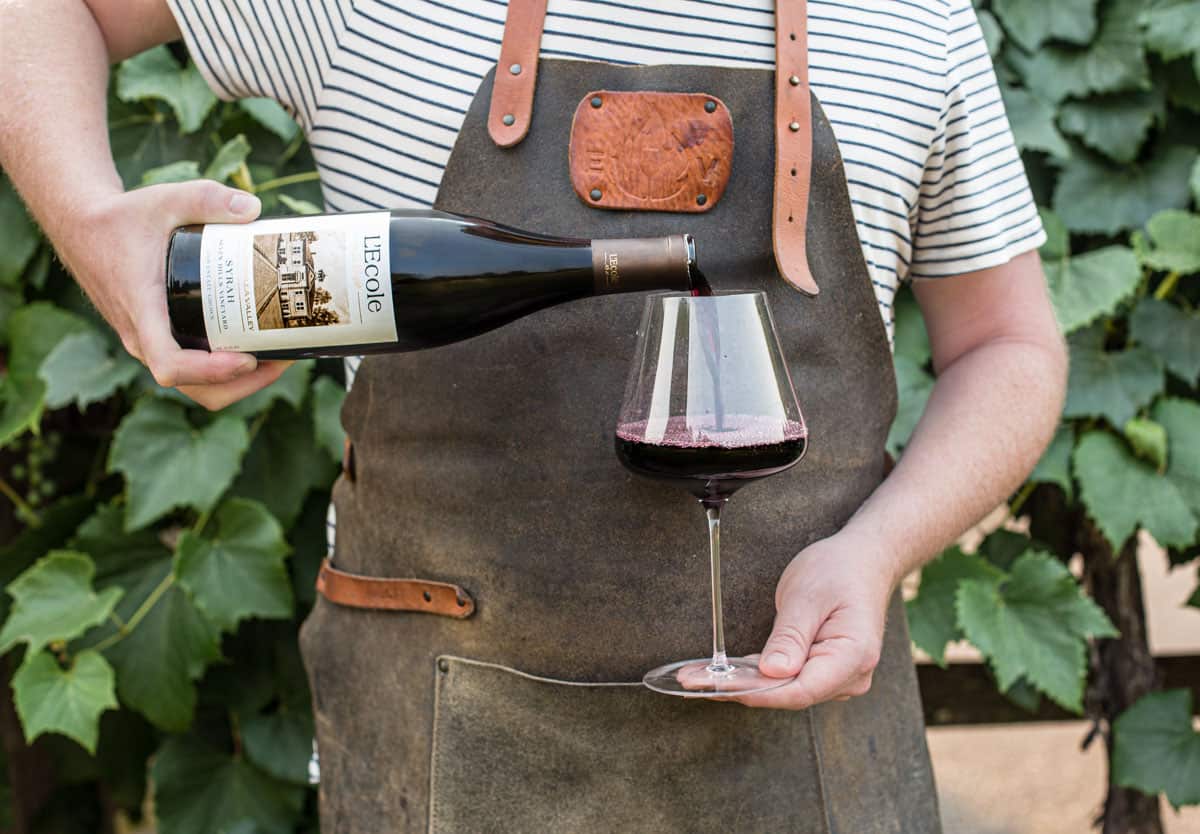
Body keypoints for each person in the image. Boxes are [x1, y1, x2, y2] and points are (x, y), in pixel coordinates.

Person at [0, 1, 1067, 831]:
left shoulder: (913, 20)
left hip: (815, 765)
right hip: (437, 754)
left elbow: (1009, 347)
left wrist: (876, 553)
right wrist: (94, 222)